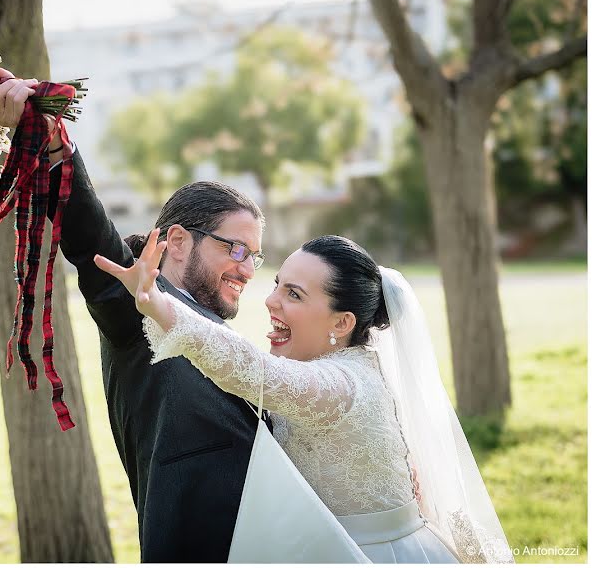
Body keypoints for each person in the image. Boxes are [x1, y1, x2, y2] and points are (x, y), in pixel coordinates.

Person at [0, 70, 271, 562]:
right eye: (237, 248)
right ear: (177, 241)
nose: (247, 269)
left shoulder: (209, 328)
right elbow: (90, 236)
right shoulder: (139, 314)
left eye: (256, 257)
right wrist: (53, 143)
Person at [95, 229, 515, 563]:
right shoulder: (351, 363)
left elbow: (257, 372)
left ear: (343, 321)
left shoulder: (343, 387)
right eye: (278, 284)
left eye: (294, 295)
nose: (270, 300)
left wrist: (156, 304)